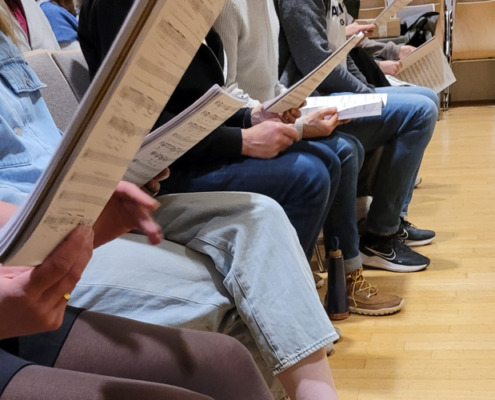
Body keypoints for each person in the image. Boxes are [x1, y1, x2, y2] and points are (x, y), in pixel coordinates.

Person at [0, 5, 341, 399]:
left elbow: (46, 147)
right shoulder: (118, 10)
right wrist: (241, 139)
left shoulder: (6, 35)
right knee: (296, 199)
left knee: (266, 213)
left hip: (78, 200)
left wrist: (248, 118)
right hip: (38, 227)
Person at [213, 0, 404, 316]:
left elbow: (270, 84)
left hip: (265, 116)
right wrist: (295, 123)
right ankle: (295, 289)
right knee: (331, 160)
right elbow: (225, 93)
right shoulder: (228, 6)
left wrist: (294, 107)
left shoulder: (265, 4)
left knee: (348, 149)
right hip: (242, 128)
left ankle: (338, 278)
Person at [276, 0, 439, 273]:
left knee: (428, 97)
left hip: (333, 94)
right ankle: (380, 237)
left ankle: (394, 220)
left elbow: (343, 55)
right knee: (420, 112)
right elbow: (317, 64)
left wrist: (368, 91)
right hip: (312, 102)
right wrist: (367, 97)